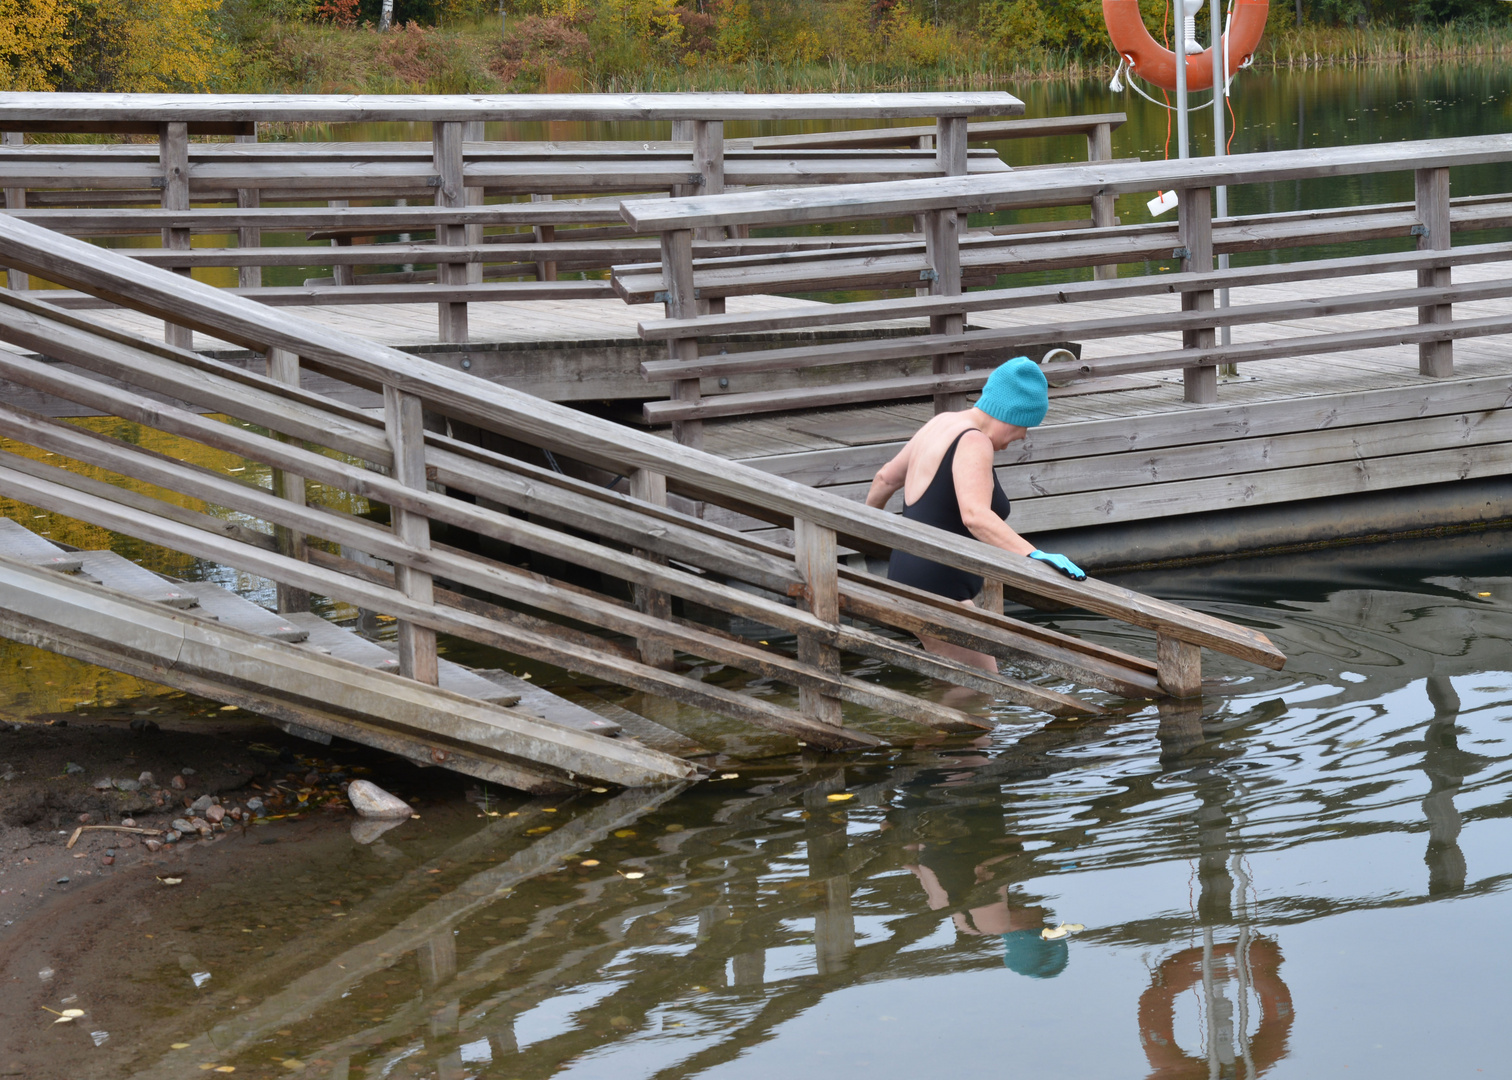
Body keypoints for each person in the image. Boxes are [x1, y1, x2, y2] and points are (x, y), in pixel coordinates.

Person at [865, 356, 1086, 673]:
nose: (1021, 438)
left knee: (961, 685)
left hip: (913, 577)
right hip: (934, 590)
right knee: (982, 688)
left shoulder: (942, 423)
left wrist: (865, 530)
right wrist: (1032, 554)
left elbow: (885, 479)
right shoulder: (974, 440)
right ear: (1011, 414)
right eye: (1024, 427)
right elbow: (975, 516)